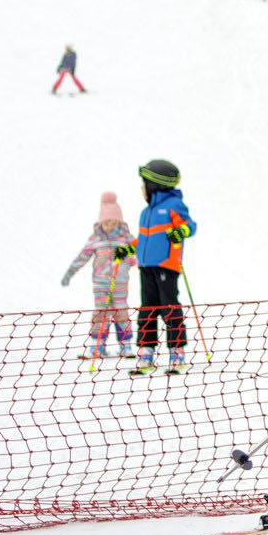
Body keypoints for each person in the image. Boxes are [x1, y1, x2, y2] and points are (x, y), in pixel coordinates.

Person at [132, 158, 196, 374]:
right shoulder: (145, 212)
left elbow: (189, 225)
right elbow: (143, 239)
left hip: (166, 266)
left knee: (169, 308)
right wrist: (128, 248)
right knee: (147, 310)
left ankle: (177, 353)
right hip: (146, 266)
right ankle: (146, 353)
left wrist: (182, 231)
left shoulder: (173, 206)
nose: (141, 189)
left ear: (155, 185)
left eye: (144, 185)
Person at [61, 192, 135, 364]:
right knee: (101, 313)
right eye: (106, 222)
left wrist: (128, 260)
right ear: (101, 222)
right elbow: (83, 256)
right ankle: (97, 345)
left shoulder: (126, 238)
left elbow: (136, 257)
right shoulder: (95, 239)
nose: (110, 225)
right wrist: (70, 273)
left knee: (121, 312)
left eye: (113, 222)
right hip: (101, 283)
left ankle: (126, 345)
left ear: (119, 222)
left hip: (120, 282)